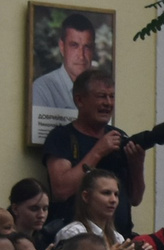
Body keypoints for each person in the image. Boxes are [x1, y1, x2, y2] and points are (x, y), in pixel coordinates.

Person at [41, 69, 146, 234]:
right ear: (80, 100)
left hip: (119, 239)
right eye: (101, 96)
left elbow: (135, 198)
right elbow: (61, 191)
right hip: (78, 239)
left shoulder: (119, 136)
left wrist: (137, 165)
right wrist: (98, 151)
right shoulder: (61, 137)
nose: (108, 103)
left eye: (112, 96)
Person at [31, 8, 102, 119]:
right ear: (62, 47)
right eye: (74, 45)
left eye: (87, 47)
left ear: (93, 49)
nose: (81, 55)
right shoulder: (42, 89)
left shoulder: (102, 90)